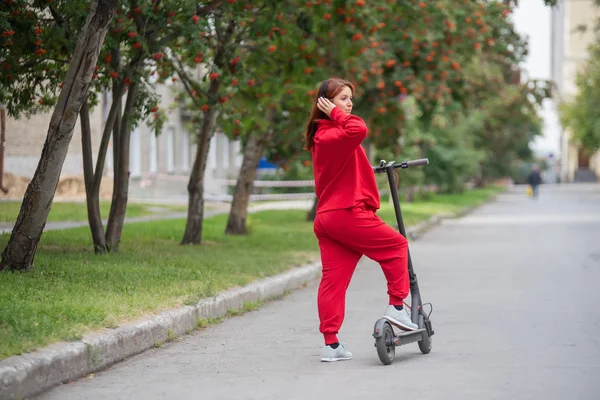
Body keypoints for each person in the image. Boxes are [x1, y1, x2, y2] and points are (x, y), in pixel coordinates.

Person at [303, 78, 418, 363]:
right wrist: (337, 114)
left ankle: (331, 345)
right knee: (396, 246)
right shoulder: (333, 132)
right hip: (347, 213)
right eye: (343, 98)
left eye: (350, 98)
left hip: (329, 218)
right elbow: (359, 128)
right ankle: (396, 306)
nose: (349, 104)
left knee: (334, 281)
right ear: (326, 104)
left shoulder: (326, 136)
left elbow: (349, 161)